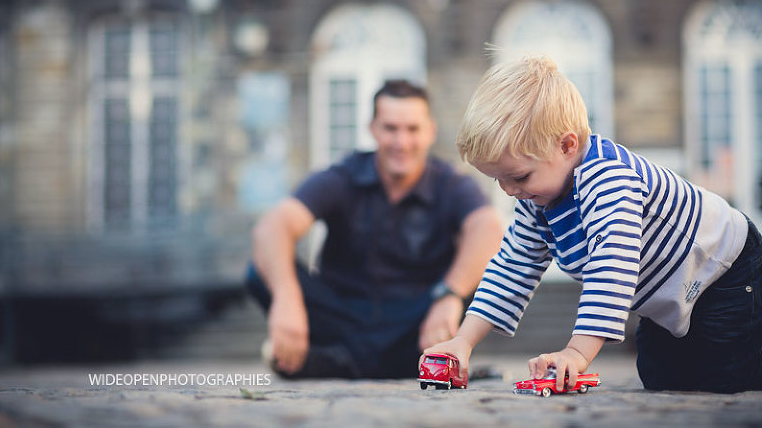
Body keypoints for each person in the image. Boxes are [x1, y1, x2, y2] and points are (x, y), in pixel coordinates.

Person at [422, 56, 762, 393]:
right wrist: (463, 341)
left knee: (725, 375)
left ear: (567, 145)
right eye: (498, 180)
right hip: (663, 296)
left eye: (519, 176)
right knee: (662, 377)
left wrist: (576, 352)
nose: (510, 191)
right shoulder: (535, 199)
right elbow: (512, 267)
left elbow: (611, 268)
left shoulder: (609, 178)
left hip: (726, 273)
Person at [248, 79, 503, 379]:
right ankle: (385, 364)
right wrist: (287, 299)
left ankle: (341, 364)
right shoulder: (343, 176)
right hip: (344, 316)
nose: (401, 142)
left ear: (430, 131)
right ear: (373, 129)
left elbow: (489, 228)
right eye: (391, 128)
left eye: (412, 129)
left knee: (478, 276)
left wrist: (449, 294)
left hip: (417, 320)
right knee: (260, 274)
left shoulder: (450, 184)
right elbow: (272, 227)